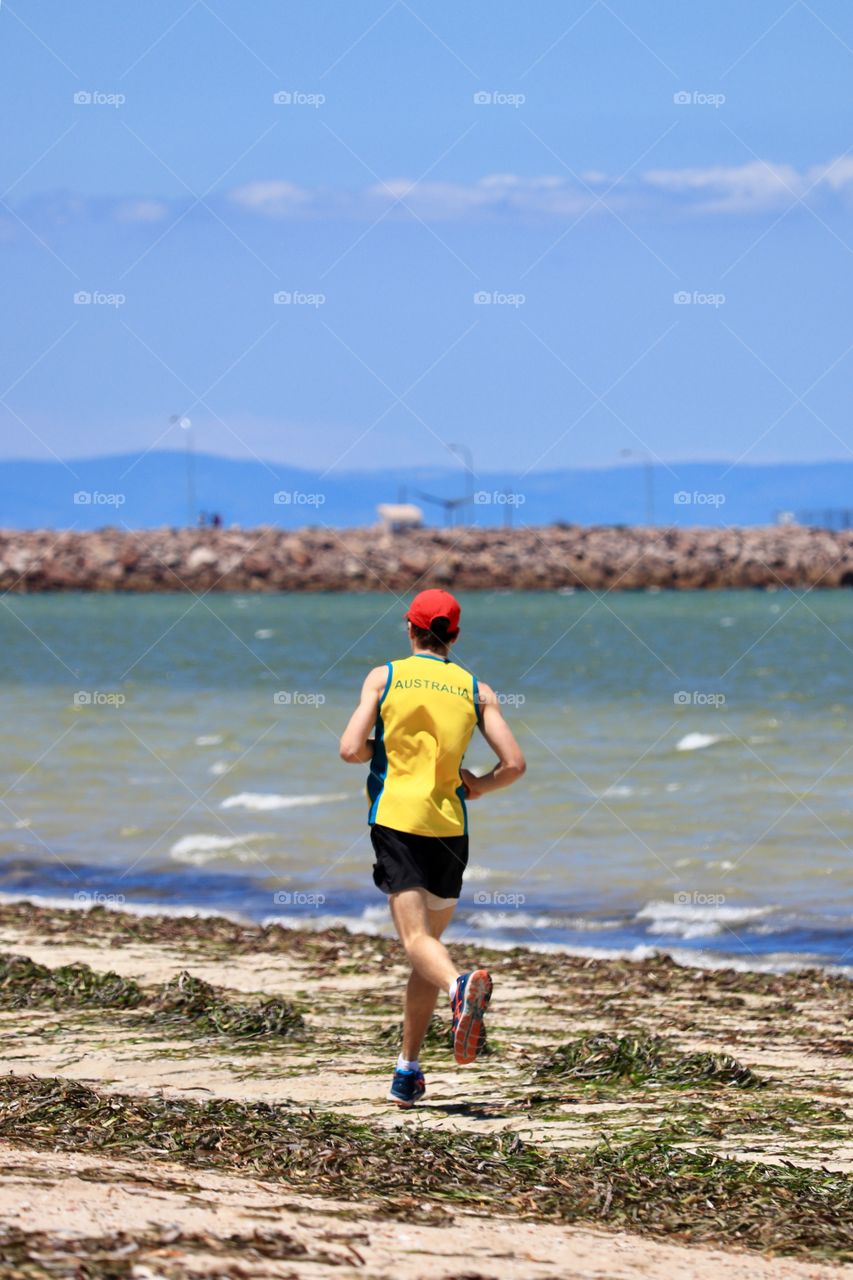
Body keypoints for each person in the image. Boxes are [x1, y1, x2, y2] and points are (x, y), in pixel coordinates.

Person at [339, 588, 526, 1107]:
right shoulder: (475, 688)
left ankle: (460, 988)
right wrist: (476, 785)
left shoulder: (386, 676)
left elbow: (351, 750)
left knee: (418, 944)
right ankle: (408, 1071)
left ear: (409, 628)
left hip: (397, 819)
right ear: (455, 635)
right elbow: (514, 765)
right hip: (451, 827)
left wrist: (387, 748)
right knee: (428, 948)